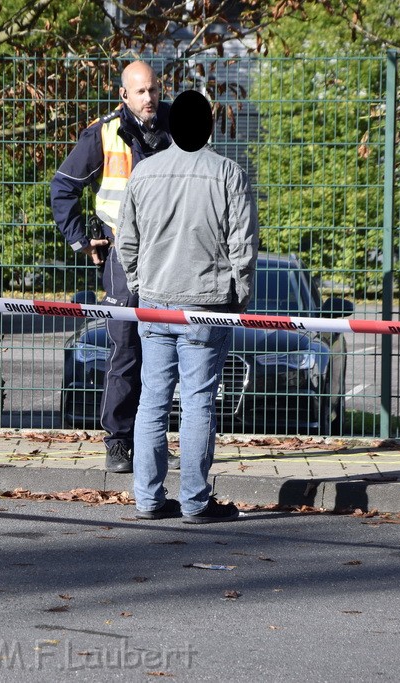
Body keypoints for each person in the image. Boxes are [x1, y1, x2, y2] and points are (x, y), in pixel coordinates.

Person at [117, 90, 259, 524]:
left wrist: (142, 284)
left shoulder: (144, 173)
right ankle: (196, 502)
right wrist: (240, 295)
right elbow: (244, 247)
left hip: (156, 305)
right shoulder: (229, 174)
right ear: (210, 127)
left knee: (152, 402)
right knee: (198, 403)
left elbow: (127, 242)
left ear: (170, 126)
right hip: (207, 306)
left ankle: (148, 499)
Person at [51, 60, 177, 474]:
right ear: (124, 95)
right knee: (125, 347)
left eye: (153, 90)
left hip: (169, 255)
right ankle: (118, 443)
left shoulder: (176, 128)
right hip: (123, 254)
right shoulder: (103, 133)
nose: (149, 98)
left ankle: (153, 441)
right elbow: (63, 186)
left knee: (163, 350)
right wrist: (79, 240)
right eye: (140, 91)